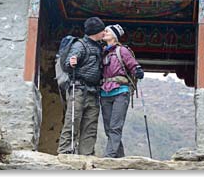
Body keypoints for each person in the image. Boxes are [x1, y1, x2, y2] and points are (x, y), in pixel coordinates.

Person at [57, 17, 105, 155]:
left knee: (90, 124)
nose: (104, 32)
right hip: (78, 89)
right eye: (102, 30)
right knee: (73, 120)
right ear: (97, 31)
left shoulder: (99, 47)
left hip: (93, 91)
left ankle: (87, 153)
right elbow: (67, 64)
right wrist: (72, 62)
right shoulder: (80, 45)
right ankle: (65, 151)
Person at [100, 24, 144, 158]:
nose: (104, 32)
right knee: (108, 128)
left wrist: (137, 70)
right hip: (104, 92)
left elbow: (132, 64)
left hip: (120, 91)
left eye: (107, 31)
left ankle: (110, 156)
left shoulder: (122, 50)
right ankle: (119, 158)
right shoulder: (102, 52)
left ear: (114, 35)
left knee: (115, 126)